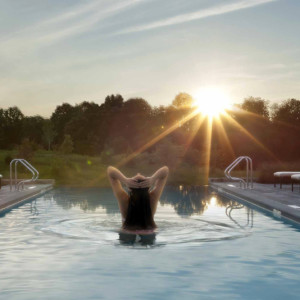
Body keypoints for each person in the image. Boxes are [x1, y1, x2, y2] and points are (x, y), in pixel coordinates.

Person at [107, 166, 169, 234]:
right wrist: (152, 179)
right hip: (150, 231)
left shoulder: (124, 200)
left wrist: (125, 180)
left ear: (130, 188)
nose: (138, 173)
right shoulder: (152, 199)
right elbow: (165, 171)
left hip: (127, 231)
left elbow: (110, 170)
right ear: (148, 188)